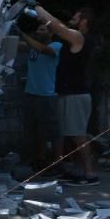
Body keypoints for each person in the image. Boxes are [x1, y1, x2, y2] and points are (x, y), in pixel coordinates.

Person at [35, 5, 99, 186]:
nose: (72, 18)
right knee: (72, 136)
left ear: (84, 21)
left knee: (78, 136)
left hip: (76, 96)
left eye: (76, 17)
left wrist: (37, 8)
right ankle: (80, 171)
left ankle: (90, 174)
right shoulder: (75, 37)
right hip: (68, 94)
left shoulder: (80, 37)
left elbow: (57, 26)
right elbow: (60, 26)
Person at [18, 20, 63, 174]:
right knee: (36, 130)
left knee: (52, 130)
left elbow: (45, 50)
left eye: (42, 30)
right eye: (38, 30)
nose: (38, 32)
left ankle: (58, 161)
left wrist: (22, 34)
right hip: (31, 94)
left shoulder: (55, 46)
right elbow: (17, 46)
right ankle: (41, 160)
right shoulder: (33, 48)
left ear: (51, 33)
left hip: (46, 95)